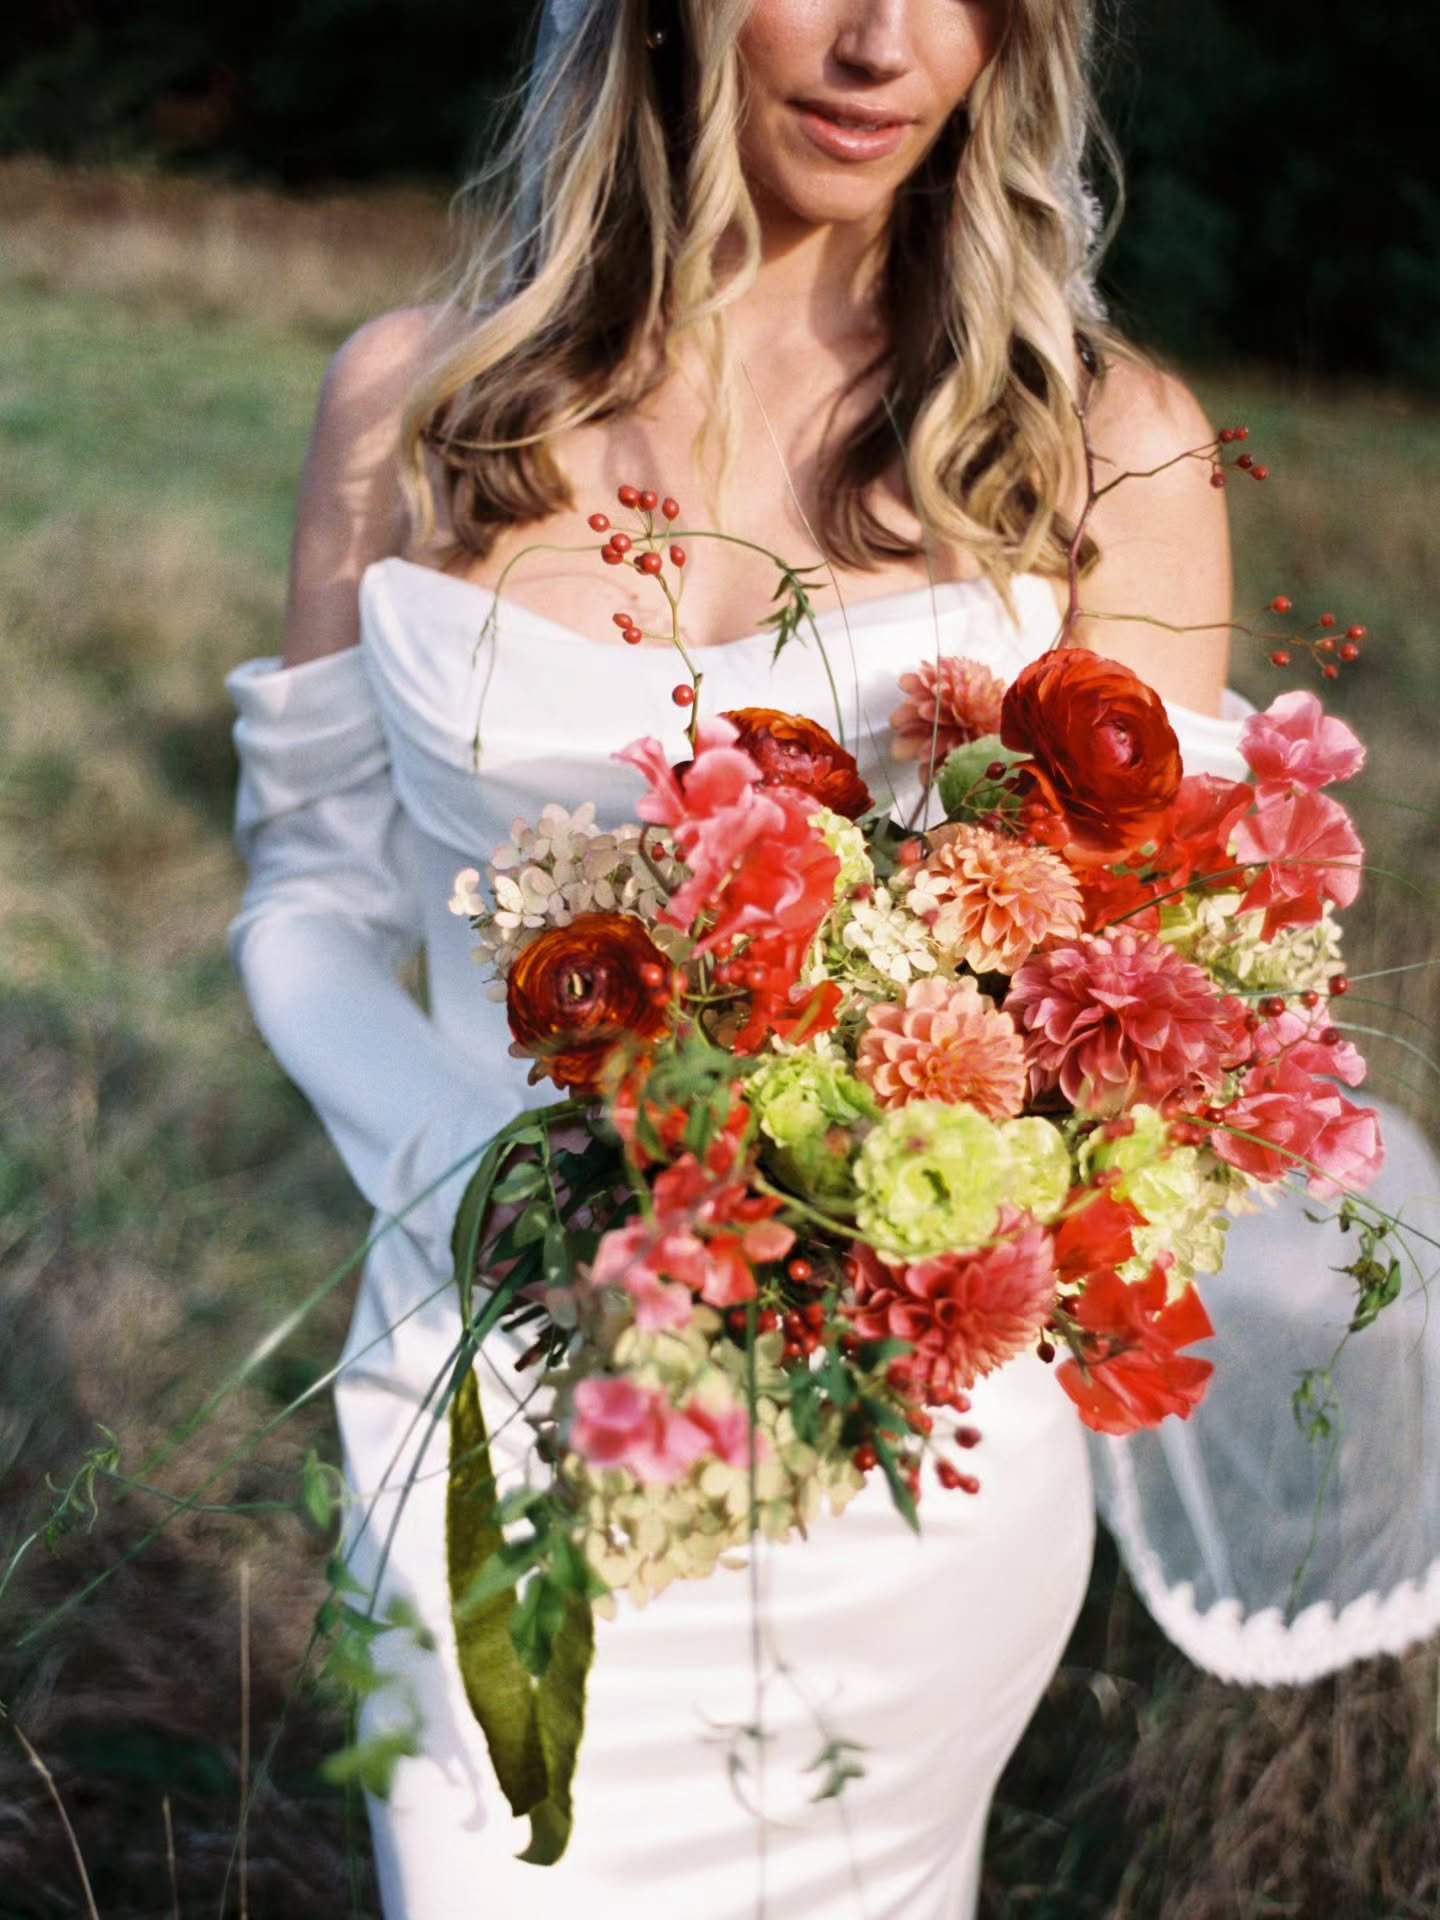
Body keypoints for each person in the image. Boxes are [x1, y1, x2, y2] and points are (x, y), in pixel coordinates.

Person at [226, 1, 1440, 1914]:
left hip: (906, 1472)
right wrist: (498, 1191)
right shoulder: (415, 408)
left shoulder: (1100, 446)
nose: (884, 41)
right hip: (489, 1396)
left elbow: (1166, 996)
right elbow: (307, 894)